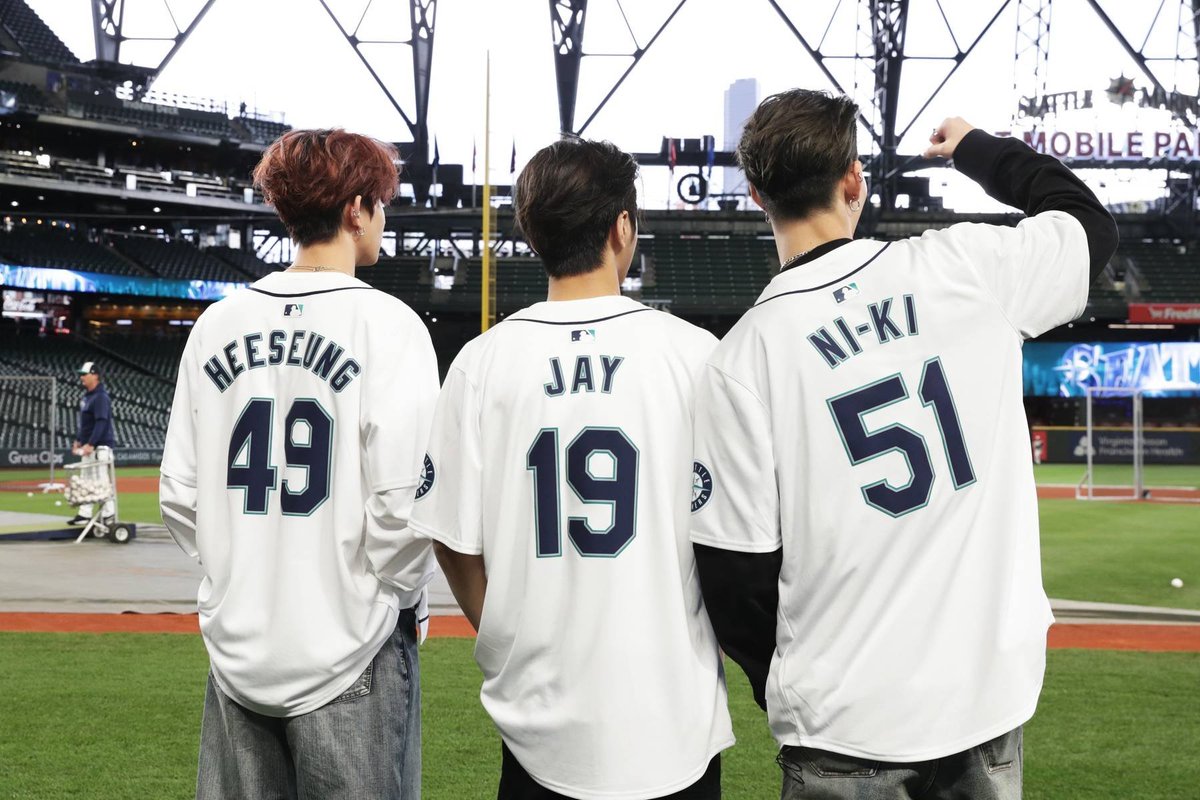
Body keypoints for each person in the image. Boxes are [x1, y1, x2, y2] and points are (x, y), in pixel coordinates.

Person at [690, 90, 1118, 799]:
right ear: (853, 181)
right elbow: (1087, 224)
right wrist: (977, 148)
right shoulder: (965, 265)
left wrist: (797, 679)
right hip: (983, 700)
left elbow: (736, 579)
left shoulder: (741, 358)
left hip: (841, 721)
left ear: (758, 195)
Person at [409, 137, 733, 800]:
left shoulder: (482, 363)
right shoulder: (695, 355)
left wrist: (504, 631)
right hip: (674, 718)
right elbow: (736, 538)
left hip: (539, 722)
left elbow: (451, 539)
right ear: (622, 229)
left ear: (534, 234)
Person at [159, 128, 440, 800]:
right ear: (354, 209)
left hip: (238, 650)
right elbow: (406, 509)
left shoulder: (217, 324)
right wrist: (379, 598)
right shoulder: (388, 324)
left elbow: (180, 496)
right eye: (380, 203)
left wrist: (245, 572)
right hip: (353, 652)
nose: (382, 218)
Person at [69, 360, 116, 525]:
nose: (81, 377)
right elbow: (86, 424)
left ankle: (109, 515)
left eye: (84, 374)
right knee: (87, 481)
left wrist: (91, 443)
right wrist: (79, 441)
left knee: (101, 481)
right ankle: (85, 514)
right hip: (89, 446)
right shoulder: (88, 397)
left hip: (100, 447)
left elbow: (102, 422)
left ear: (95, 375)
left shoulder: (101, 397)